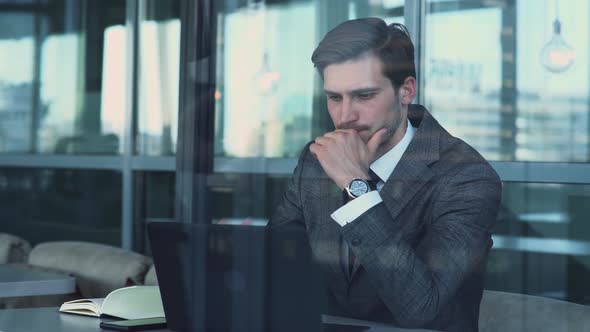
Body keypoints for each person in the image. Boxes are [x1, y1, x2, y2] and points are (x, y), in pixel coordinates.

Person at [269, 17, 501, 332]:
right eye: (335, 97)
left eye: (364, 96)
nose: (345, 116)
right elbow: (272, 263)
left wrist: (356, 187)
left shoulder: (467, 177)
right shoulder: (316, 160)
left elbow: (421, 307)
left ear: (405, 91)